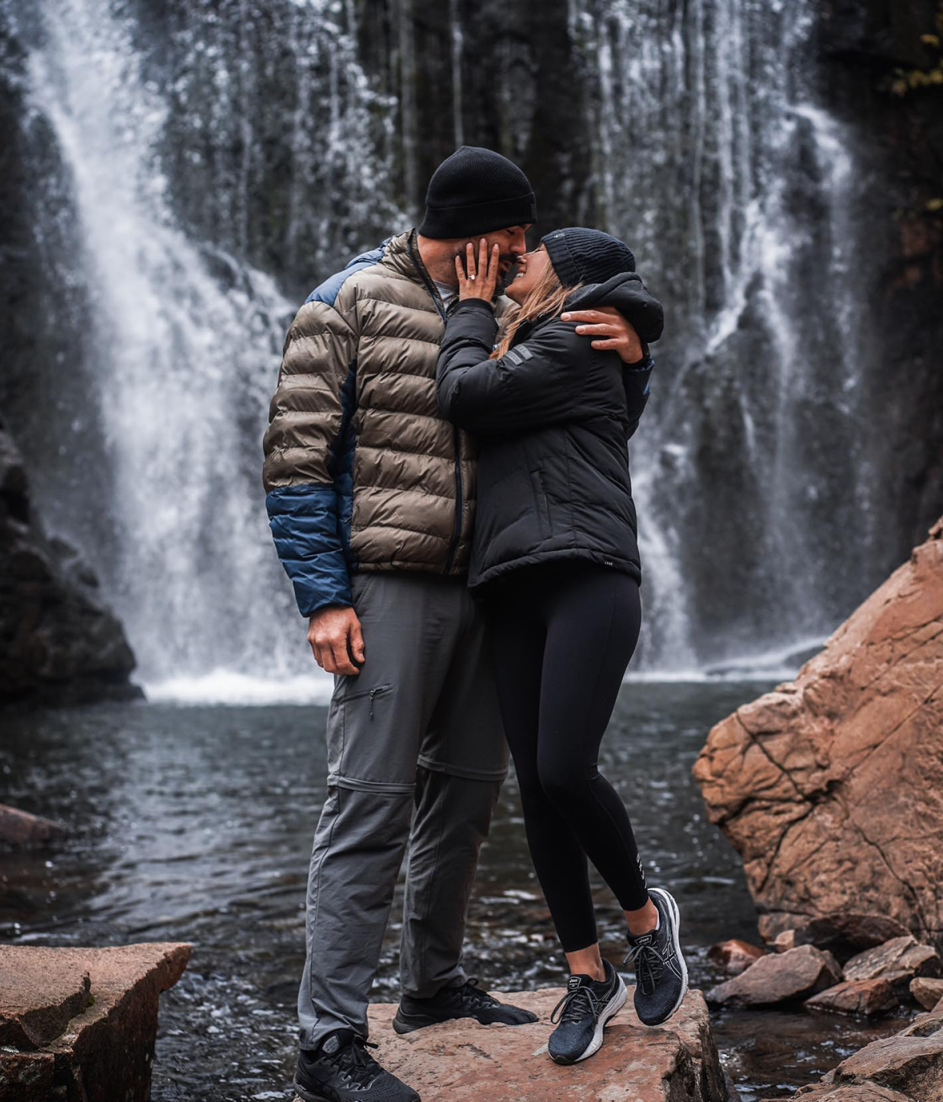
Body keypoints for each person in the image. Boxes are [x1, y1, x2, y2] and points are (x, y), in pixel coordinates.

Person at [263, 148, 646, 1102]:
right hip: (387, 584)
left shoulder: (513, 313)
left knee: (468, 801)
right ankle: (328, 1040)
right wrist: (324, 596)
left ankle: (431, 987)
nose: (526, 250)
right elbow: (296, 456)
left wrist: (637, 349)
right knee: (369, 802)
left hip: (494, 587)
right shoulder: (345, 300)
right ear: (491, 231)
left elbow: (585, 415)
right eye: (517, 233)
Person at [434, 228, 687, 1067]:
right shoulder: (549, 339)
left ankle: (647, 924)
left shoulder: (576, 336)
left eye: (532, 253)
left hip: (587, 575)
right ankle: (588, 977)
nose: (516, 260)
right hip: (510, 586)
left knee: (562, 769)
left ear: (570, 274)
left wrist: (470, 307)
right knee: (539, 793)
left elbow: (464, 394)